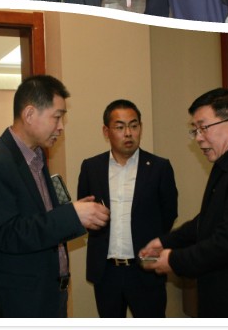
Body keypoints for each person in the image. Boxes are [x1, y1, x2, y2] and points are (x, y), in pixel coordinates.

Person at [0, 75, 109, 318]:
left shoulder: (37, 156)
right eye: (57, 117)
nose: (61, 127)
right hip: (24, 301)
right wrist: (71, 215)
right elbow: (7, 233)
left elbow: (41, 218)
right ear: (29, 114)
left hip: (52, 293)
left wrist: (77, 215)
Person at [139, 88, 228, 318]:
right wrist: (166, 241)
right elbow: (210, 218)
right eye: (195, 130)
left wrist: (173, 260)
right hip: (221, 290)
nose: (198, 138)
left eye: (203, 128)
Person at [77, 99, 178, 317]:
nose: (128, 133)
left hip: (146, 269)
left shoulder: (159, 167)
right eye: (120, 127)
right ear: (106, 132)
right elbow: (85, 213)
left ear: (141, 127)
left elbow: (169, 214)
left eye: (134, 125)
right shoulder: (91, 168)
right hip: (106, 272)